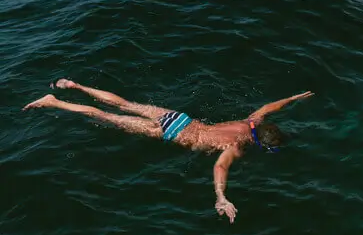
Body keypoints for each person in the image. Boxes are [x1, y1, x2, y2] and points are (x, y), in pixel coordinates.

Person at [23, 80, 314, 223]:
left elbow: (268, 107)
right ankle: (54, 102)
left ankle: (73, 85)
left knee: (125, 104)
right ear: (261, 143)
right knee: (104, 117)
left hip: (179, 118)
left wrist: (293, 97)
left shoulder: (250, 123)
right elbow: (220, 168)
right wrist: (221, 197)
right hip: (171, 132)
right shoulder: (237, 146)